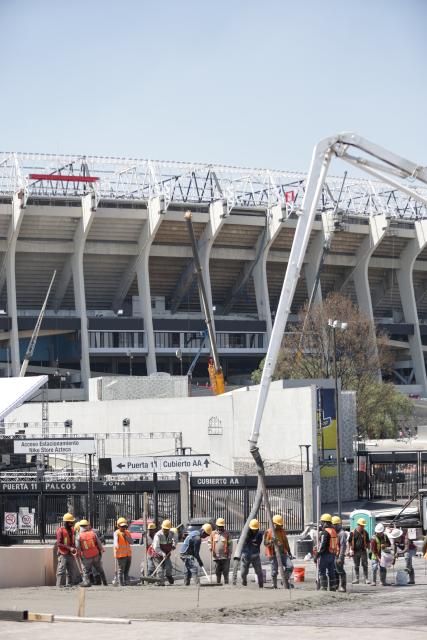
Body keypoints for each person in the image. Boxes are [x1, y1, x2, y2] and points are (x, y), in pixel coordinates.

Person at [263, 514, 293, 589]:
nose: (280, 526)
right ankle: (274, 585)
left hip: (283, 553)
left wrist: (289, 552)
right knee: (274, 571)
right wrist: (271, 541)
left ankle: (284, 580)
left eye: (280, 525)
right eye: (278, 525)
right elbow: (265, 543)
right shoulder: (268, 532)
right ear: (274, 524)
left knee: (290, 566)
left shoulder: (282, 531)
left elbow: (286, 542)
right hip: (273, 554)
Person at [75, 519, 107, 587]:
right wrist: (101, 550)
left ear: (80, 527)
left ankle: (87, 582)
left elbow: (78, 547)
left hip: (86, 557)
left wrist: (80, 555)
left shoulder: (79, 536)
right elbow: (99, 544)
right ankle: (105, 582)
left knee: (86, 571)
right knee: (100, 569)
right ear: (87, 526)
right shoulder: (93, 533)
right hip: (96, 555)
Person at [56, 512, 78, 588]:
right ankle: (59, 586)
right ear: (66, 522)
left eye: (72, 522)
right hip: (63, 554)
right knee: (61, 571)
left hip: (70, 553)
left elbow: (72, 541)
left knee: (71, 571)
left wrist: (74, 547)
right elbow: (59, 544)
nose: (72, 523)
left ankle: (70, 585)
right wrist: (69, 548)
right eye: (70, 522)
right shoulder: (60, 530)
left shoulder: (72, 530)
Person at [240, 519, 264, 588]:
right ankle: (244, 582)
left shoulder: (259, 535)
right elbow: (240, 542)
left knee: (259, 572)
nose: (254, 530)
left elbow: (257, 544)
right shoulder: (245, 533)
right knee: (243, 573)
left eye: (255, 529)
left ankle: (261, 585)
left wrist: (249, 542)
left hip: (255, 555)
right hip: (245, 555)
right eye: (252, 529)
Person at [317, 514, 338, 591]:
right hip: (332, 554)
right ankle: (332, 588)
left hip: (325, 555)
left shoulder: (325, 532)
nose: (321, 524)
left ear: (325, 522)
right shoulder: (333, 531)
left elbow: (323, 544)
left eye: (322, 522)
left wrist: (318, 554)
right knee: (331, 572)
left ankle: (323, 588)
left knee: (322, 571)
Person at [152, 519, 176, 585]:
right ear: (162, 527)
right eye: (164, 529)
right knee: (160, 570)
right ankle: (160, 583)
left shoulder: (172, 533)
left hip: (167, 554)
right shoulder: (158, 535)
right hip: (157, 555)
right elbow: (156, 547)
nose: (165, 530)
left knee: (169, 567)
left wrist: (174, 545)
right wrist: (162, 553)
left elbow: (175, 539)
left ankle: (169, 576)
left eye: (167, 529)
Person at [209, 518, 232, 585]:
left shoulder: (227, 534)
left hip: (225, 557)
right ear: (217, 526)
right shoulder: (213, 534)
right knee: (217, 571)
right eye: (219, 526)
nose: (220, 527)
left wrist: (229, 554)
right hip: (216, 557)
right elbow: (209, 542)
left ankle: (226, 583)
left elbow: (230, 544)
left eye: (222, 526)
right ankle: (218, 583)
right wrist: (211, 549)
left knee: (226, 571)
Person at [348, 518, 370, 584]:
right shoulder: (353, 533)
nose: (362, 526)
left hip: (363, 551)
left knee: (365, 565)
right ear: (358, 525)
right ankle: (357, 579)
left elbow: (368, 542)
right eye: (361, 525)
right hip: (355, 551)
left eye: (363, 525)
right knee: (356, 565)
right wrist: (350, 550)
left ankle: (366, 579)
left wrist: (369, 549)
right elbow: (349, 541)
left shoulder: (365, 532)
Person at [114, 517, 133, 586]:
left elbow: (131, 542)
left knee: (126, 570)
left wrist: (126, 537)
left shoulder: (127, 532)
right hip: (121, 555)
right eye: (122, 526)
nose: (123, 528)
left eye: (125, 526)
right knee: (121, 570)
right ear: (118, 526)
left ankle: (126, 581)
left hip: (128, 555)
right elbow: (115, 542)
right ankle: (121, 583)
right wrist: (116, 546)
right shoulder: (116, 533)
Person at [332, 516, 347, 592]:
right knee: (335, 571)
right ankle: (336, 586)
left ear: (337, 525)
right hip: (334, 555)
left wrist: (340, 557)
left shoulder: (342, 534)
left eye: (333, 525)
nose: (332, 526)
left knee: (340, 571)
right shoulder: (335, 533)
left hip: (339, 556)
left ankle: (343, 587)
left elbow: (343, 546)